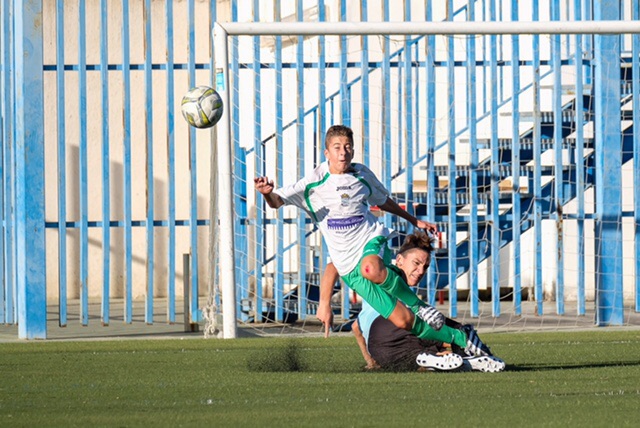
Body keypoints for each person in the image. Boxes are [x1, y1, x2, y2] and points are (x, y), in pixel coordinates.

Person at [254, 124, 490, 357]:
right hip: (348, 265)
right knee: (404, 320)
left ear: (353, 151)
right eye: (337, 147)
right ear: (326, 153)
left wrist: (413, 220)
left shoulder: (361, 175)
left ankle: (421, 307)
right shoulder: (312, 183)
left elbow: (383, 201)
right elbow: (277, 201)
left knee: (371, 268)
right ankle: (461, 338)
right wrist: (266, 193)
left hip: (371, 240)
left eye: (347, 147)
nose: (343, 152)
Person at [345, 232, 506, 372]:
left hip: (383, 353)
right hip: (385, 328)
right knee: (439, 323)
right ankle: (471, 346)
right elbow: (336, 266)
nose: (421, 271)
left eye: (426, 266)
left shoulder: (372, 294)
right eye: (416, 263)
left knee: (421, 353)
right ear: (399, 260)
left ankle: (444, 359)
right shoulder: (390, 277)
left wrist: (371, 362)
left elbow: (356, 328)